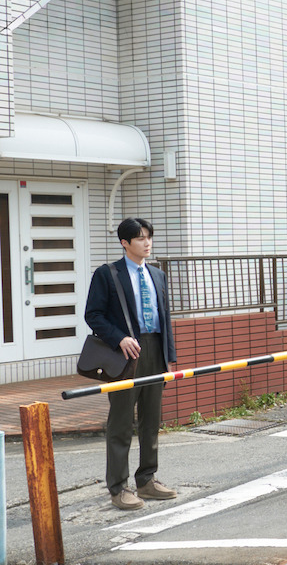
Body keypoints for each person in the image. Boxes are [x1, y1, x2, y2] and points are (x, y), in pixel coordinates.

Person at [84, 217, 177, 511]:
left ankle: (147, 480)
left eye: (149, 237)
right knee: (122, 421)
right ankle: (118, 486)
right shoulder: (107, 274)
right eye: (140, 238)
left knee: (151, 420)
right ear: (125, 243)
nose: (147, 243)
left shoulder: (157, 274)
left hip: (154, 350)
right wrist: (119, 338)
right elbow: (94, 314)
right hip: (125, 353)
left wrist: (169, 358)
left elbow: (166, 319)